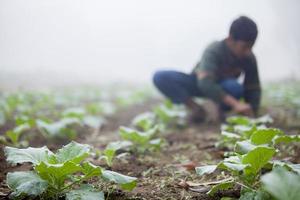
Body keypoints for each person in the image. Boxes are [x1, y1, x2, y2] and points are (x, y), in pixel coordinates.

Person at [153, 16, 261, 122]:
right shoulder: (214, 49)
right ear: (230, 39)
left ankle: (222, 112)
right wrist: (236, 104)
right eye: (244, 47)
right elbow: (205, 83)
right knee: (160, 77)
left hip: (224, 87)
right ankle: (196, 109)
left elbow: (253, 87)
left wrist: (252, 112)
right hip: (199, 84)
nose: (248, 51)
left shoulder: (249, 58)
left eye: (251, 47)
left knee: (235, 88)